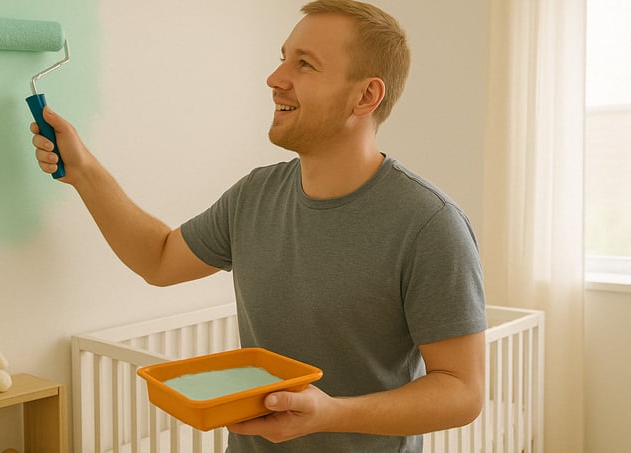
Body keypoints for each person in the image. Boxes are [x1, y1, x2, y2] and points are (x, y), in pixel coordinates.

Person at [31, 0, 486, 451]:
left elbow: (461, 392)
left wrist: (333, 414)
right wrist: (84, 171)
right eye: (283, 57)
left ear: (365, 96)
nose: (275, 78)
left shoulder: (430, 225)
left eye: (305, 64)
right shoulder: (254, 196)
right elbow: (160, 258)